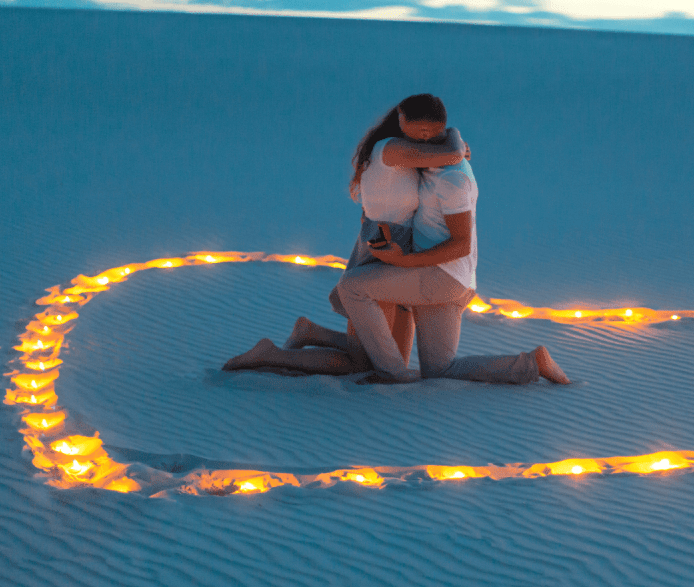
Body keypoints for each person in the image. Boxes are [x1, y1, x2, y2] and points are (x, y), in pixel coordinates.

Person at [221, 94, 467, 374]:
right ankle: (270, 355)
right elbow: (452, 155)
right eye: (422, 131)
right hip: (387, 244)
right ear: (401, 118)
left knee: (389, 353)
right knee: (364, 362)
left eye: (432, 133)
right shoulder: (393, 148)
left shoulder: (403, 150)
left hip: (395, 241)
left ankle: (311, 333)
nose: (425, 139)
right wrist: (454, 136)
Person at [336, 124, 570, 386]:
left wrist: (403, 261)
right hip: (453, 280)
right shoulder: (432, 171)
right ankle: (531, 363)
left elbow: (461, 245)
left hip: (442, 277)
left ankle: (392, 374)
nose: (413, 151)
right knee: (439, 369)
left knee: (352, 288)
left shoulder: (451, 179)